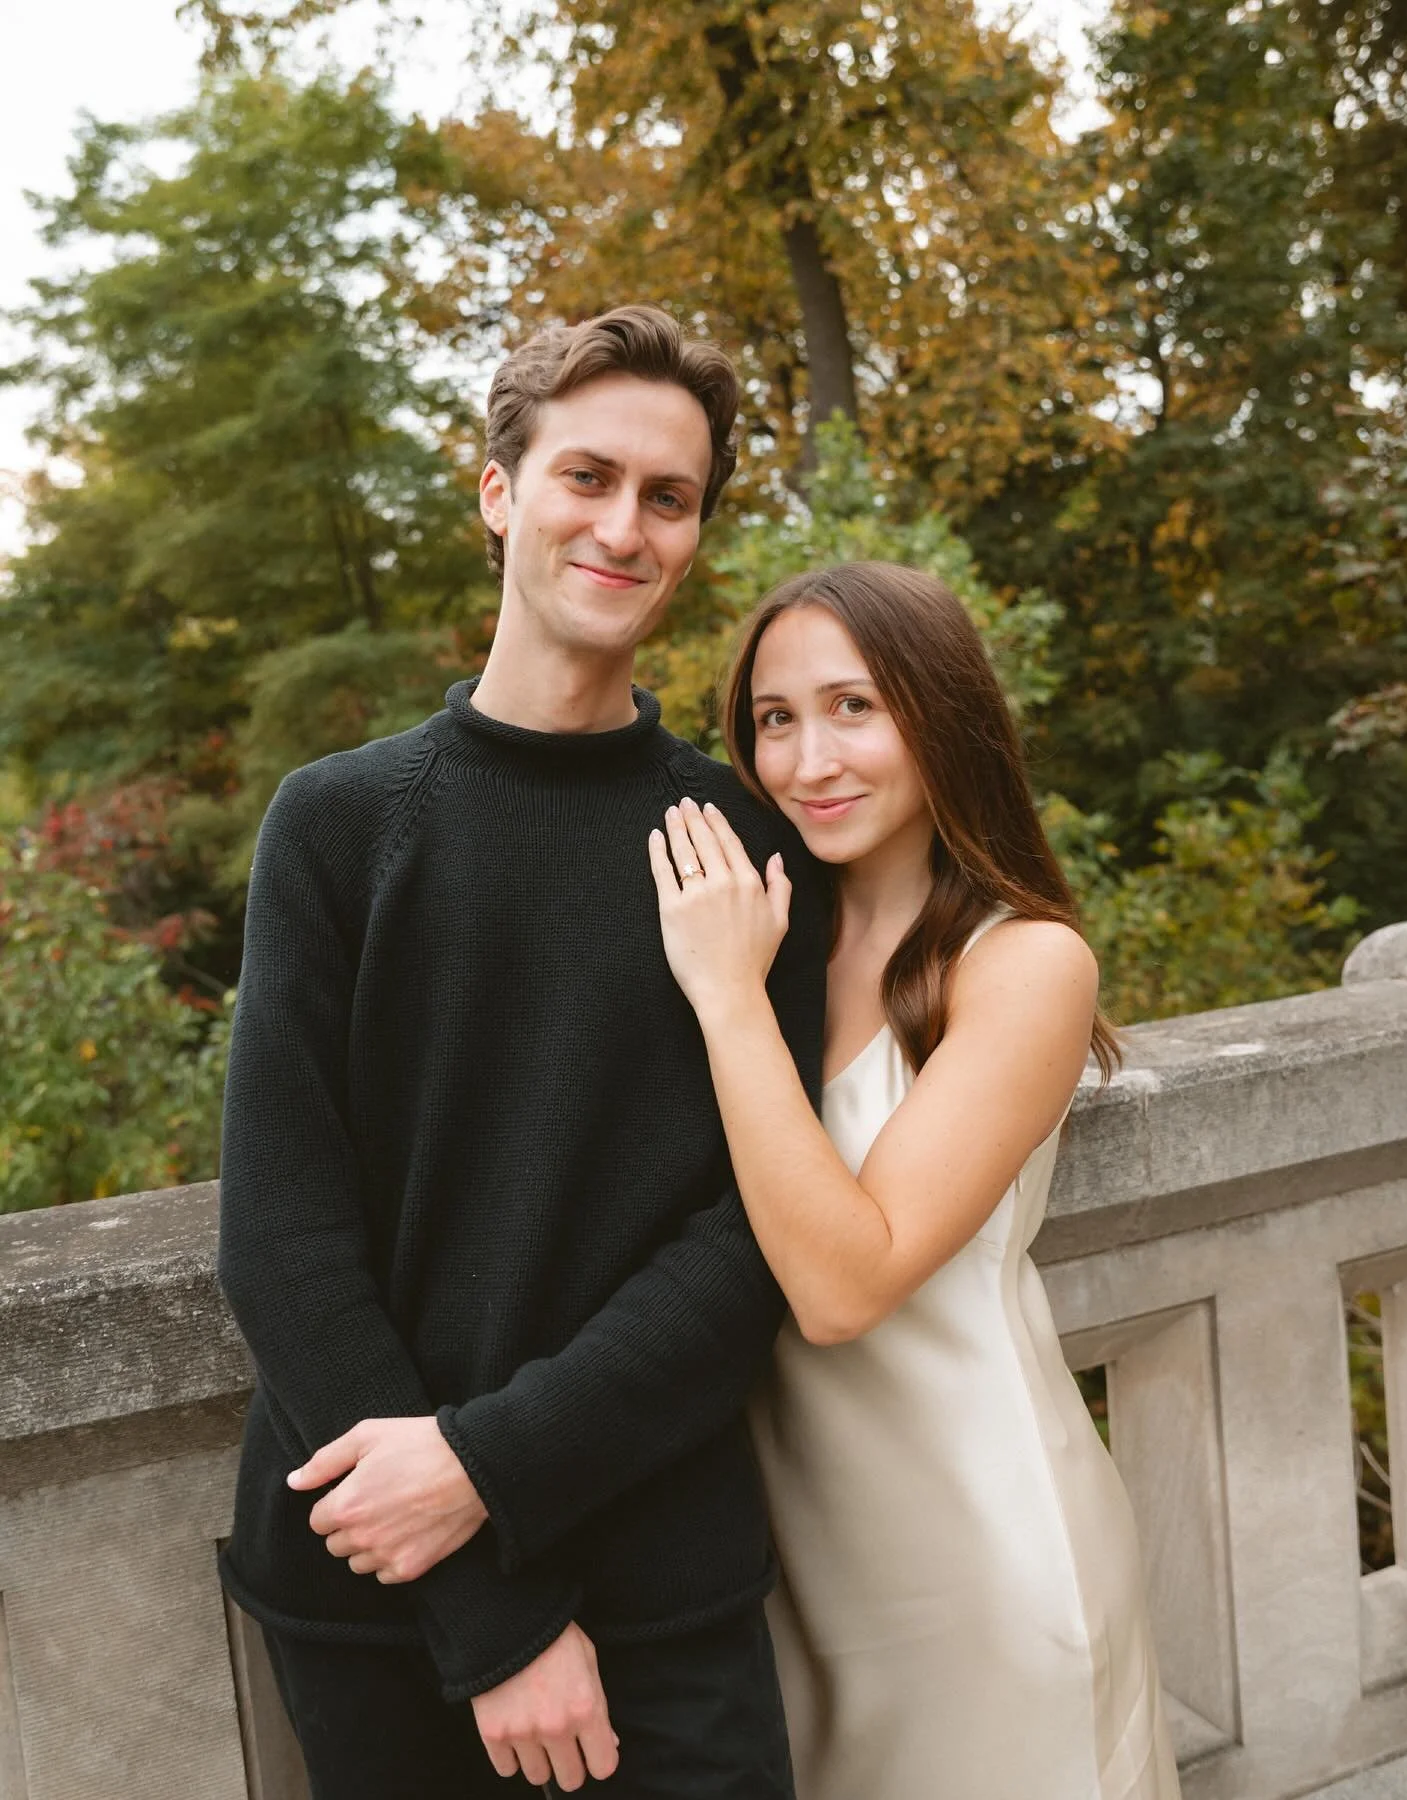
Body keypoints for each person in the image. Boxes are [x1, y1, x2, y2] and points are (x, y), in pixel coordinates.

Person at [216, 304, 829, 1799]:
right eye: (586, 477)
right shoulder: (340, 824)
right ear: (500, 494)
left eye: (668, 497)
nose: (624, 526)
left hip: (664, 1595)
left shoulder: (741, 843)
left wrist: (492, 1470)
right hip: (381, 1605)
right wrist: (493, 1614)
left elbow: (756, 1238)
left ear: (694, 535)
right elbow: (283, 1236)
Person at [646, 561, 1183, 1800]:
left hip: (980, 1553)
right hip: (789, 1567)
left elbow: (845, 1285)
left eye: (854, 707)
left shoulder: (1027, 964)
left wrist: (723, 999)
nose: (807, 759)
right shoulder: (776, 942)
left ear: (941, 715)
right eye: (775, 720)